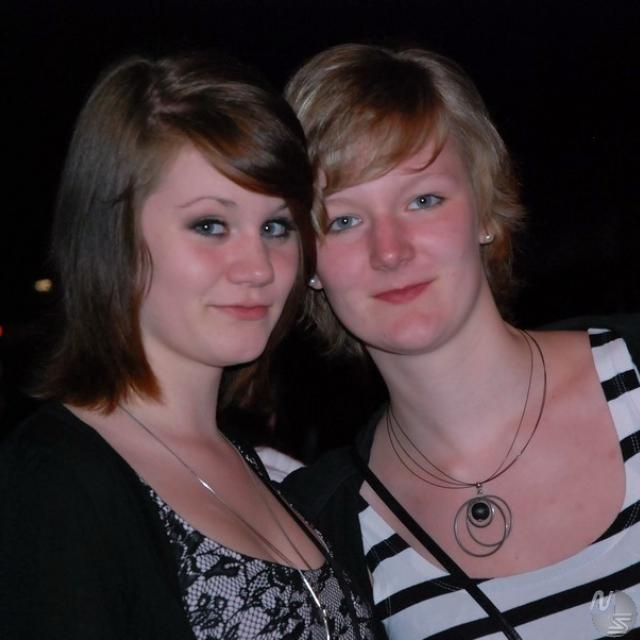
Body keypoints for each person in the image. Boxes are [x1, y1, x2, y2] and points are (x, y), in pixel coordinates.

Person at [0, 52, 379, 640]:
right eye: (210, 225)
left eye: (275, 227)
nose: (258, 267)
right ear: (115, 237)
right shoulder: (53, 480)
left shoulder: (255, 466)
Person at [281, 44, 640, 639]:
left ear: (484, 210)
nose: (390, 251)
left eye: (423, 200)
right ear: (307, 261)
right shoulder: (323, 533)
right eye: (343, 220)